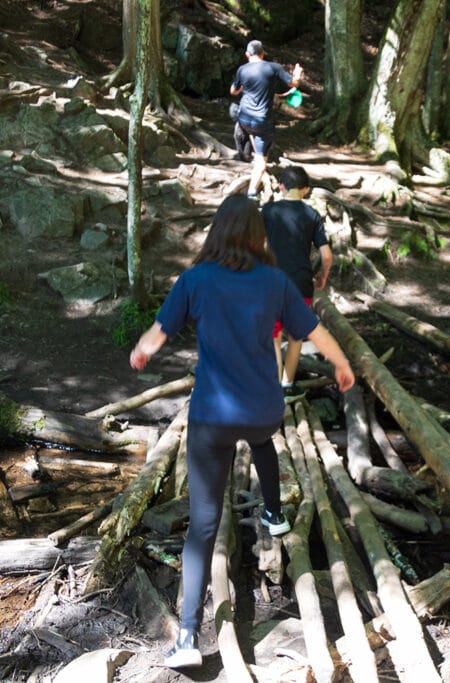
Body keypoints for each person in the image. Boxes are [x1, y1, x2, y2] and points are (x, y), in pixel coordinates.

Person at [129, 194, 355, 669]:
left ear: (216, 231)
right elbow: (313, 330)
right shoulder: (274, 281)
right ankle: (273, 515)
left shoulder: (194, 279)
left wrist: (142, 351)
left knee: (203, 526)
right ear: (258, 236)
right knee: (261, 440)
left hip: (213, 416)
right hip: (263, 414)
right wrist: (341, 364)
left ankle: (189, 637)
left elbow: (157, 333)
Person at [263, 165, 332, 396]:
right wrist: (323, 275)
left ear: (281, 186)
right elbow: (327, 255)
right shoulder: (312, 215)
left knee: (273, 337)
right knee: (295, 338)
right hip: (301, 284)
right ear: (306, 190)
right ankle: (287, 385)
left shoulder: (268, 210)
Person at [230, 39, 302, 199]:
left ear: (247, 55)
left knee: (248, 126)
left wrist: (245, 85)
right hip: (262, 120)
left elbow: (233, 91)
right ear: (263, 53)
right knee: (262, 162)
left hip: (244, 117)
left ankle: (248, 149)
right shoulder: (273, 68)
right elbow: (294, 83)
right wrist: (298, 75)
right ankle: (251, 192)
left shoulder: (242, 69)